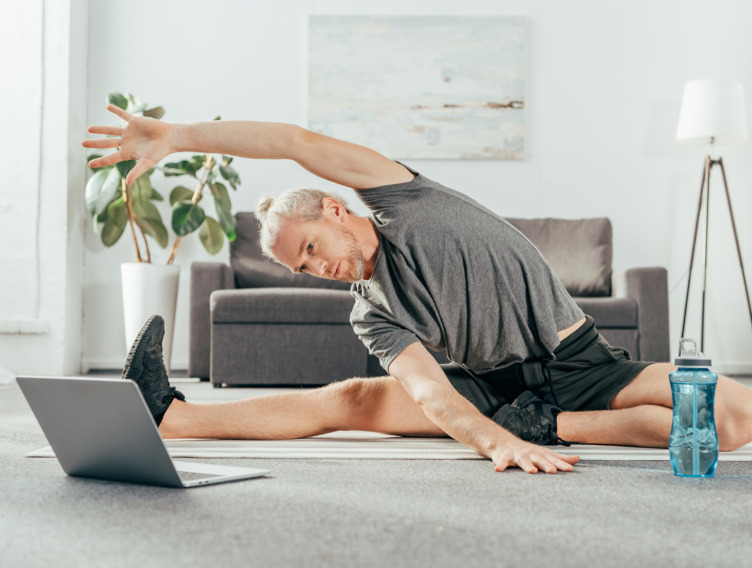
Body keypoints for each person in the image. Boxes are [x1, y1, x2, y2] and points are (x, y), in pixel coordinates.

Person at [83, 104, 752, 475]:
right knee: (353, 399)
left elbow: (292, 139)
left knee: (726, 421)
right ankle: (171, 414)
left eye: (311, 248)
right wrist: (496, 440)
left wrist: (179, 137)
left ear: (337, 209)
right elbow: (431, 391)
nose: (316, 269)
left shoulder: (404, 197)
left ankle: (553, 423)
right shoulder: (370, 313)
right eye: (302, 268)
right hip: (492, 385)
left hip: (580, 363)